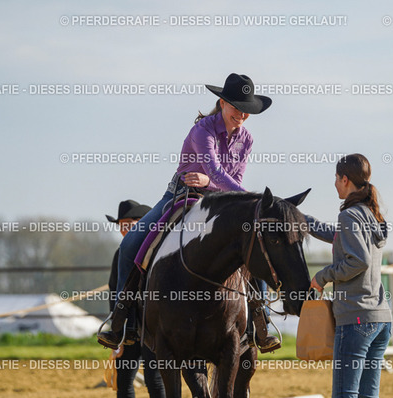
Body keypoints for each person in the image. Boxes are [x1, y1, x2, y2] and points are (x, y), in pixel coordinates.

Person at [97, 73, 281, 352]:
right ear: (222, 103)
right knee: (131, 244)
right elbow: (216, 171)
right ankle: (122, 319)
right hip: (181, 195)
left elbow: (233, 178)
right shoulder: (202, 131)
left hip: (221, 200)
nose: (242, 115)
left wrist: (214, 186)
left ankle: (261, 319)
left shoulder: (247, 139)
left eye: (247, 110)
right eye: (237, 108)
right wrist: (246, 196)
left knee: (254, 243)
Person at [307, 153, 392, 398]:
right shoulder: (371, 214)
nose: (334, 183)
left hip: (356, 320)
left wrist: (322, 276)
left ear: (345, 179)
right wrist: (304, 221)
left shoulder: (349, 215)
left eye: (336, 178)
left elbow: (358, 260)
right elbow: (340, 236)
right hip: (380, 319)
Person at [103, 200, 166, 398]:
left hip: (150, 326)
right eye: (122, 225)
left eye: (130, 224)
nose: (125, 229)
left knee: (154, 380)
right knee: (124, 381)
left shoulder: (157, 252)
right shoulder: (119, 254)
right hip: (128, 326)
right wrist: (116, 329)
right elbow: (114, 293)